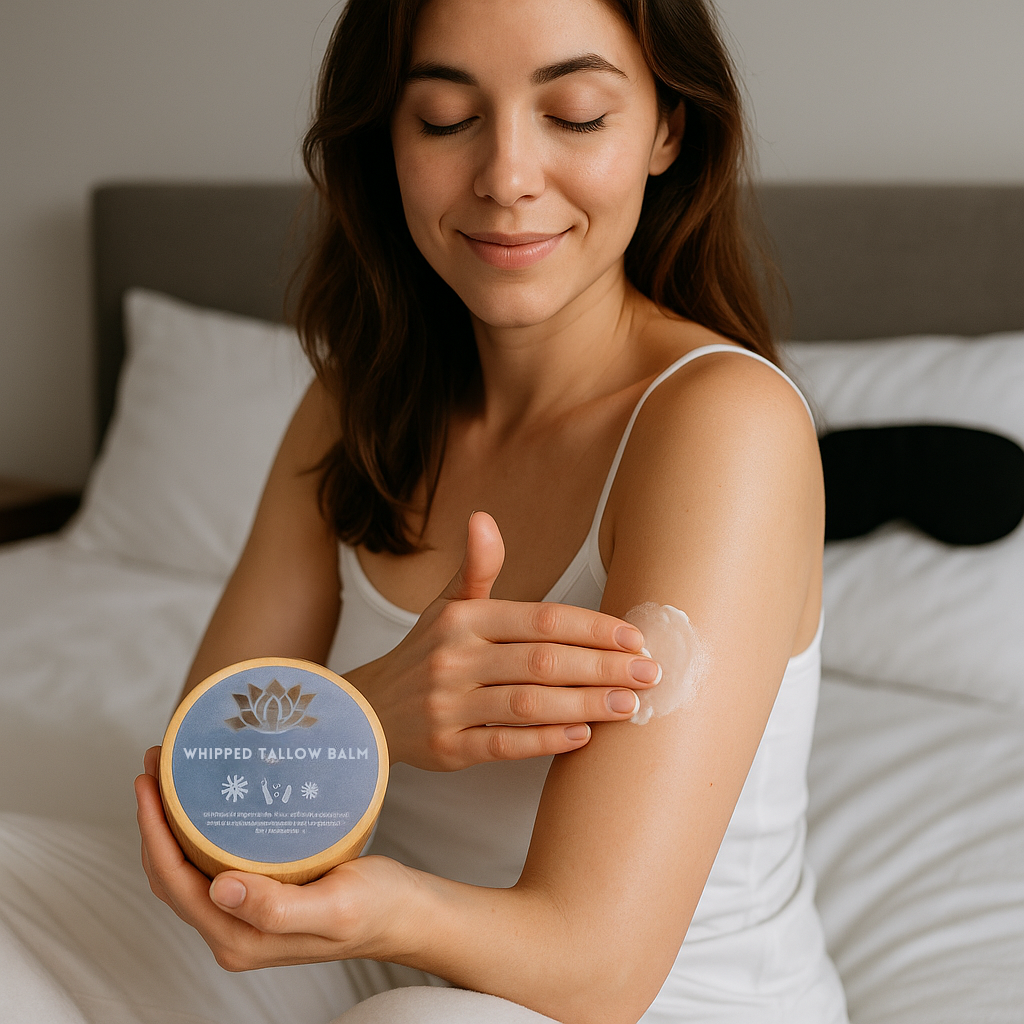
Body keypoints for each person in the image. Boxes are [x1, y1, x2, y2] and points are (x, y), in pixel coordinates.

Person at [131, 0, 849, 1021]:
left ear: (666, 129)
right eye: (441, 118)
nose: (506, 176)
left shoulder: (720, 425)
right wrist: (375, 711)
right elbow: (200, 790)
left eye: (576, 113)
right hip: (380, 957)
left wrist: (366, 895)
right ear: (385, 137)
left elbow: (599, 965)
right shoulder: (356, 401)